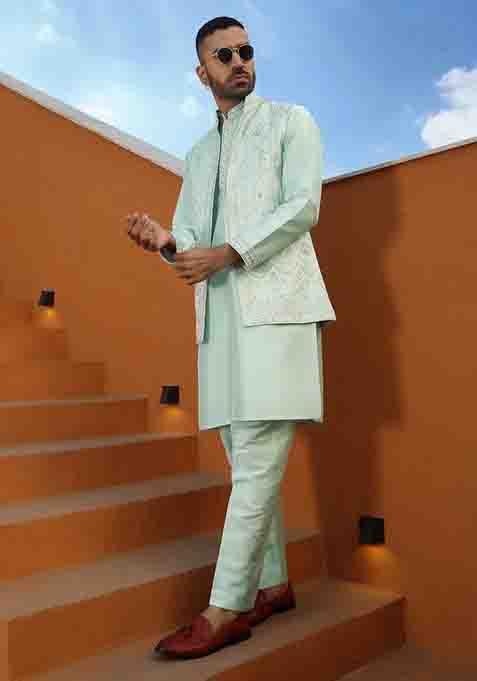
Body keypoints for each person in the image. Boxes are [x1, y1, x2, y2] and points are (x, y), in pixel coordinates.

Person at [125, 15, 336, 660]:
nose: (240, 61)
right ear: (202, 72)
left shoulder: (291, 122)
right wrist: (167, 243)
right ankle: (274, 585)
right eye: (224, 55)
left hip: (278, 313)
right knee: (244, 462)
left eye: (245, 50)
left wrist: (229, 253)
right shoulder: (197, 155)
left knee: (258, 461)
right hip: (217, 324)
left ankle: (226, 608)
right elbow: (191, 242)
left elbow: (303, 205)